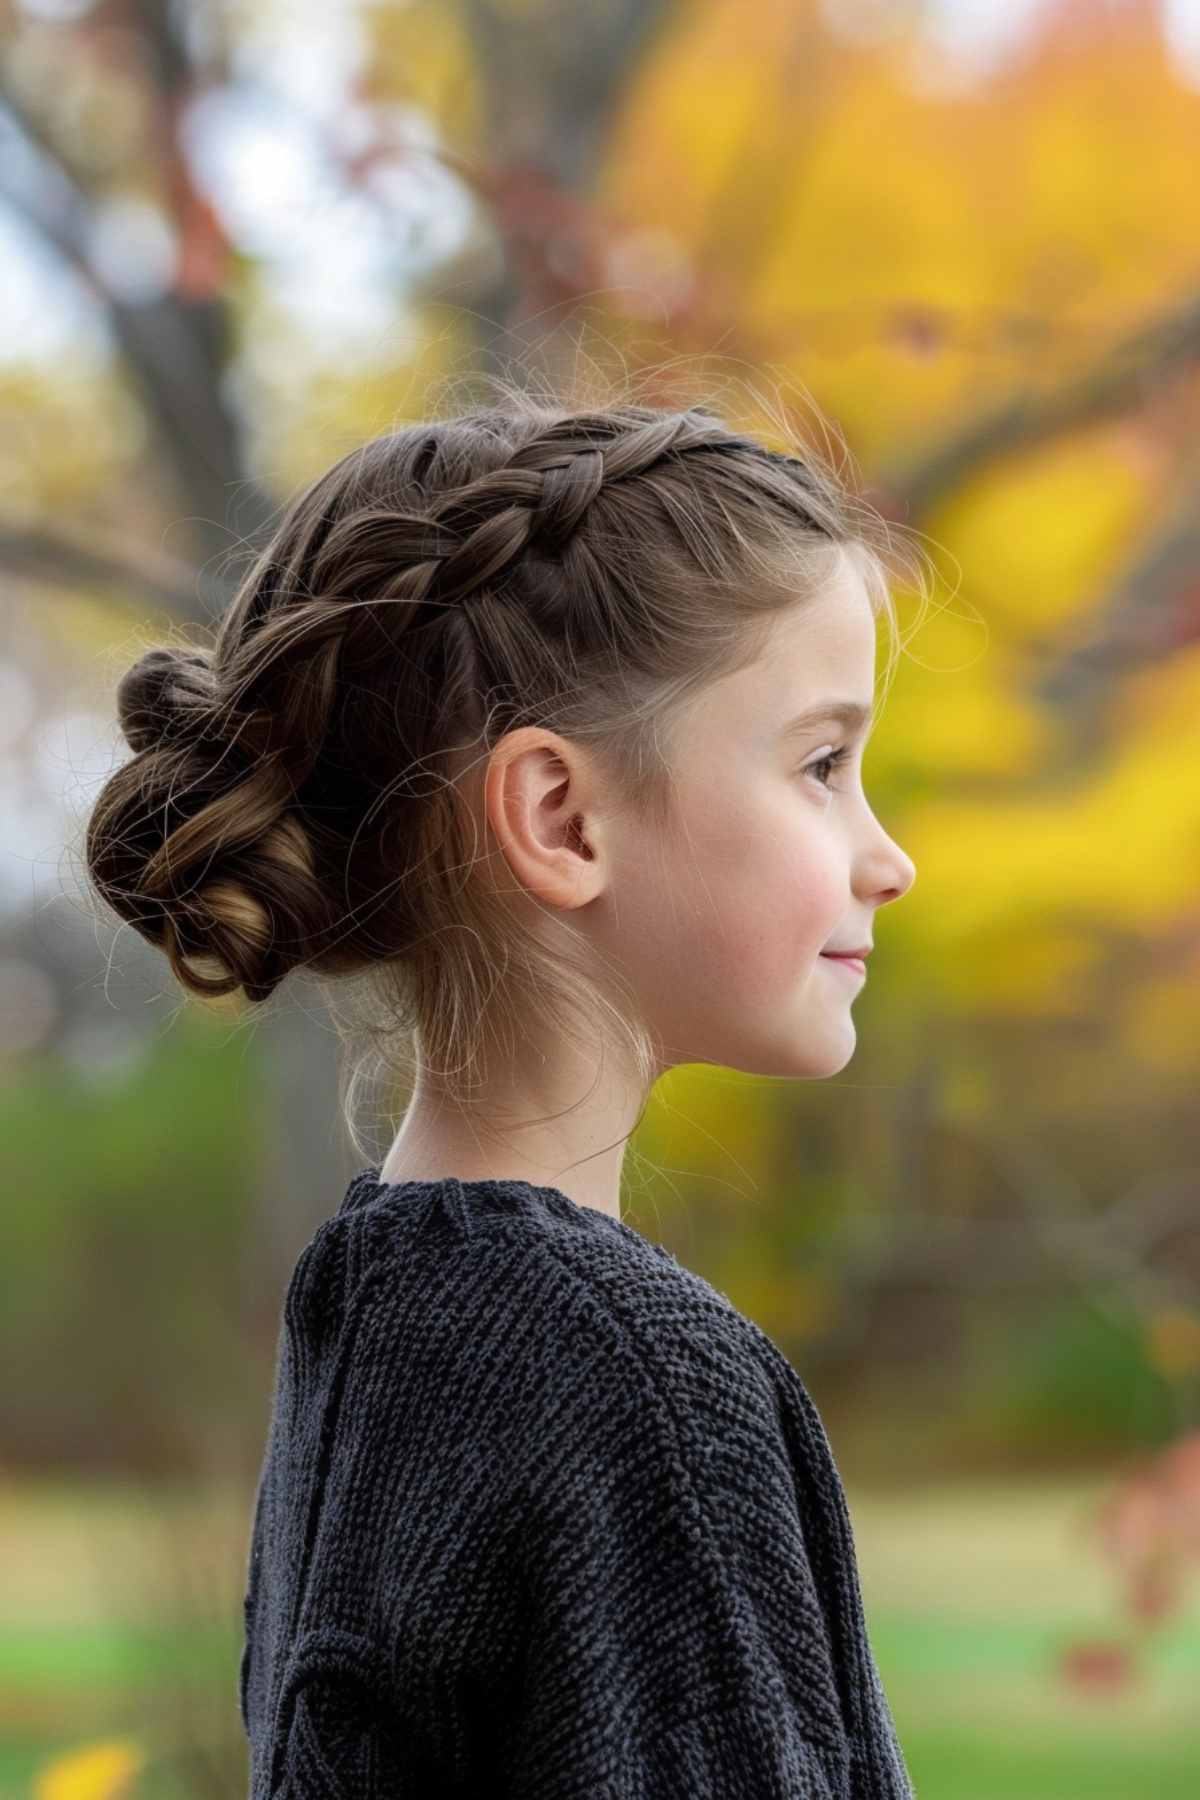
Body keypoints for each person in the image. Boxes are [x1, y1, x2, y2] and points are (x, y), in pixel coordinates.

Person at [85, 377, 921, 1796]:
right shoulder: (640, 1381)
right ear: (558, 816)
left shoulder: (371, 1311)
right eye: (823, 764)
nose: (886, 855)